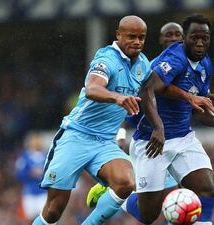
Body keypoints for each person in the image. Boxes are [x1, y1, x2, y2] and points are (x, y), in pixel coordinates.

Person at [86, 20, 214, 216]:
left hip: (183, 138)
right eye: (169, 35)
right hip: (152, 142)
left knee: (205, 191)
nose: (174, 39)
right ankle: (115, 195)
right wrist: (124, 138)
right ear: (161, 40)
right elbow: (135, 106)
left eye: (177, 35)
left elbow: (201, 103)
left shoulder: (203, 65)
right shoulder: (153, 69)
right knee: (149, 214)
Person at [31, 15, 151, 225]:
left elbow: (145, 99)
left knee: (126, 183)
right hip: (76, 135)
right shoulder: (107, 59)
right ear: (118, 35)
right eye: (131, 36)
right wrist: (118, 97)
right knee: (54, 210)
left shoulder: (143, 65)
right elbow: (93, 89)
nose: (137, 42)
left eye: (141, 37)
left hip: (104, 142)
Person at [15, 133, 47, 223]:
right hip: (29, 193)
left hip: (43, 193)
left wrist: (43, 173)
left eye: (38, 140)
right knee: (29, 219)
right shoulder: (25, 157)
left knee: (45, 219)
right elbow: (19, 174)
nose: (36, 142)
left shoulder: (46, 156)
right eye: (34, 140)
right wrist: (30, 173)